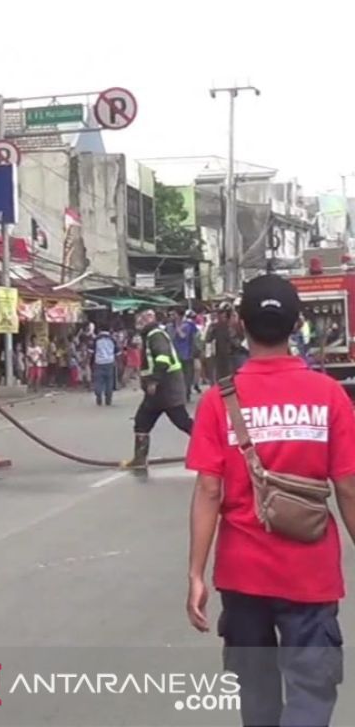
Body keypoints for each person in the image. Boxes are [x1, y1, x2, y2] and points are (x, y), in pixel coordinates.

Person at [186, 274, 355, 727]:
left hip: (243, 577)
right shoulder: (330, 396)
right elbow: (348, 489)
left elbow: (208, 489)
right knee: (310, 692)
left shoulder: (218, 401)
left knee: (256, 695)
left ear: (240, 325)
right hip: (311, 577)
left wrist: (196, 574)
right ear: (297, 324)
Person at [121, 309, 193, 472]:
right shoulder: (150, 335)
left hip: (166, 389)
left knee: (182, 421)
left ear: (149, 318)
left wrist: (154, 380)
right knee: (142, 422)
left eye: (141, 317)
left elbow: (163, 359)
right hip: (157, 392)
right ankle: (139, 459)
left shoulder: (156, 335)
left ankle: (214, 449)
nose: (138, 321)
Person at [173, 310, 199, 401]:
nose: (173, 316)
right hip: (183, 353)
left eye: (174, 314)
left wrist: (177, 328)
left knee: (185, 375)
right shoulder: (189, 325)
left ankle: (186, 393)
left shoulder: (186, 325)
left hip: (185, 354)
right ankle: (186, 393)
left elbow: (182, 336)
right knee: (185, 375)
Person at [92, 329, 117, 406]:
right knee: (109, 381)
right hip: (110, 362)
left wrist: (87, 362)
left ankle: (98, 394)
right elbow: (118, 352)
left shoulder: (96, 339)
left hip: (98, 363)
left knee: (98, 380)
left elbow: (90, 352)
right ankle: (108, 399)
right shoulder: (113, 339)